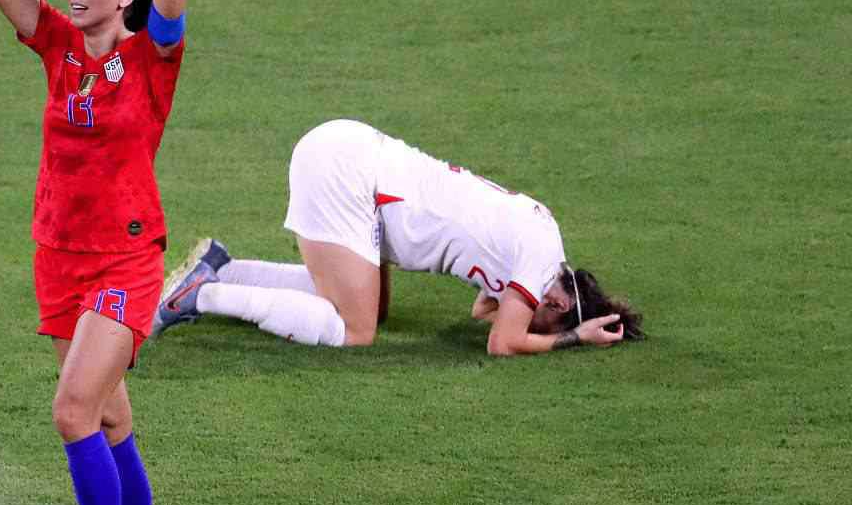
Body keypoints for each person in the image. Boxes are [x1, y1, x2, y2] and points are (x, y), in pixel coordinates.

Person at [0, 0, 187, 505]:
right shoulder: (58, 43)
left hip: (125, 257)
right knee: (107, 415)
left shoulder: (154, 59)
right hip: (58, 252)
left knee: (71, 411)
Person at [152, 119, 643, 355]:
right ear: (557, 305)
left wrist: (522, 310)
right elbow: (502, 343)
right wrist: (574, 338)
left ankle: (224, 267)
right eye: (546, 323)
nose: (535, 325)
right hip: (350, 177)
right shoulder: (538, 269)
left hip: (358, 159)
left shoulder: (544, 238)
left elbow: (483, 309)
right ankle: (204, 295)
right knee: (356, 331)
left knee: (369, 308)